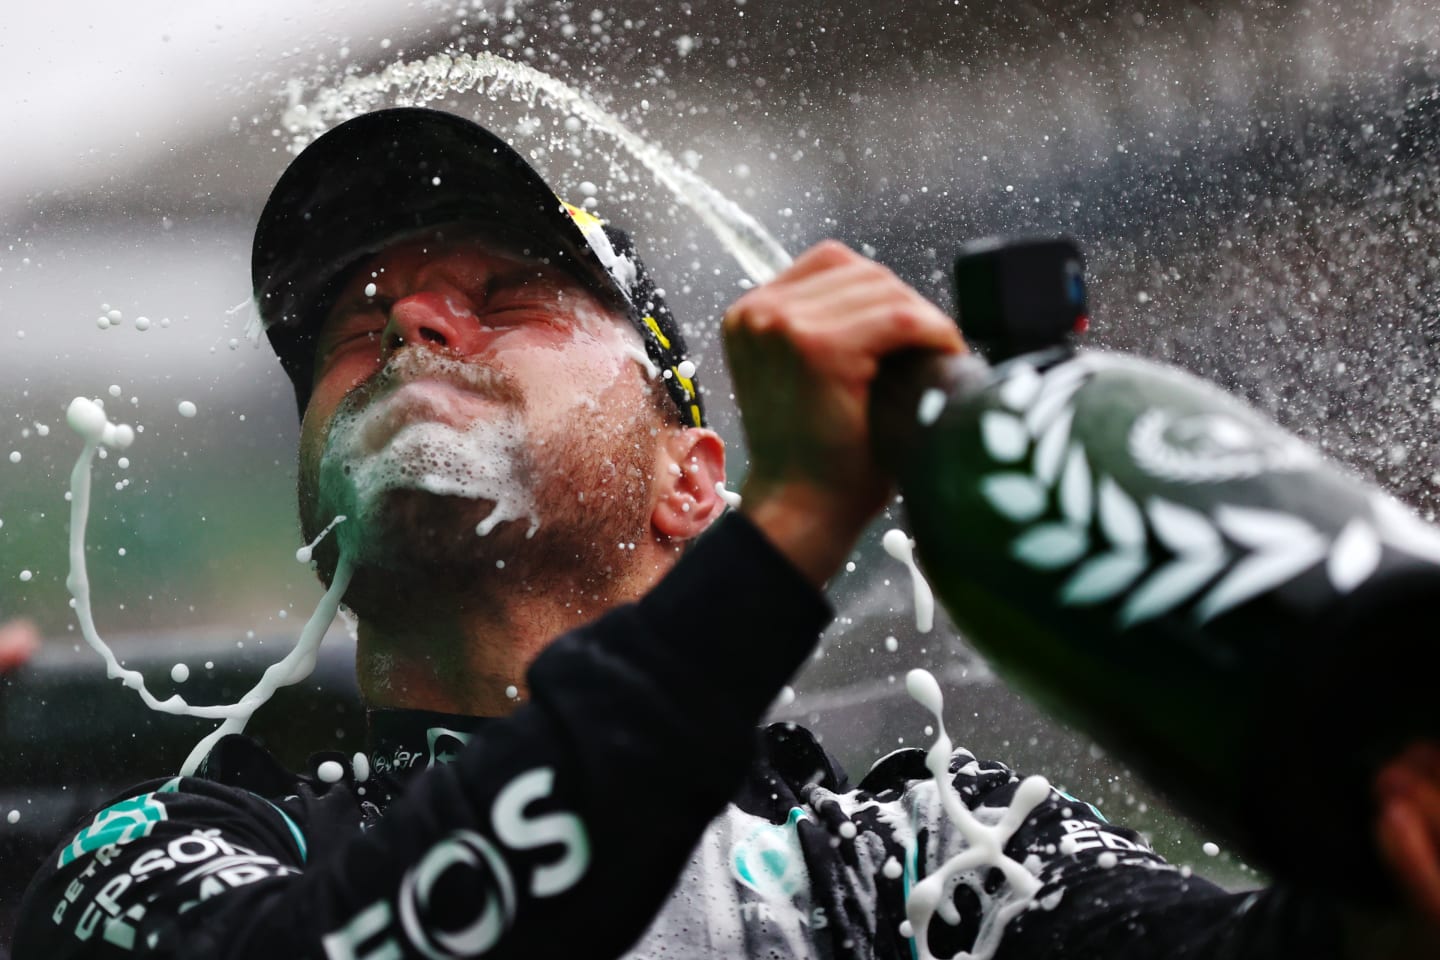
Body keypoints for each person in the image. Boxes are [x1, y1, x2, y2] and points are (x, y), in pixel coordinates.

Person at [12, 107, 1440, 960]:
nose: (404, 320)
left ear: (691, 479)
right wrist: (795, 532)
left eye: (506, 290)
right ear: (324, 535)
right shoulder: (158, 853)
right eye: (349, 328)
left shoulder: (922, 858)